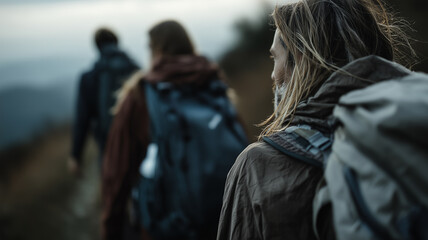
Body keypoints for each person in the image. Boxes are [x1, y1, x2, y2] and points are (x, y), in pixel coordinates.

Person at [216, 0, 416, 239]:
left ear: (303, 61)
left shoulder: (257, 166)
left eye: (274, 58)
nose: (272, 74)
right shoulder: (412, 130)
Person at [101, 20, 246, 240]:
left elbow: (116, 172)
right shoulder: (212, 81)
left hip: (169, 226)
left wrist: (110, 228)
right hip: (226, 217)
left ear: (155, 50)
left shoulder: (141, 94)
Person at [69, 27, 139, 175]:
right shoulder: (136, 71)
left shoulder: (89, 78)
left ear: (97, 46)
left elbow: (82, 119)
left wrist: (76, 156)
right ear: (117, 42)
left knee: (112, 188)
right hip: (137, 142)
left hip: (107, 143)